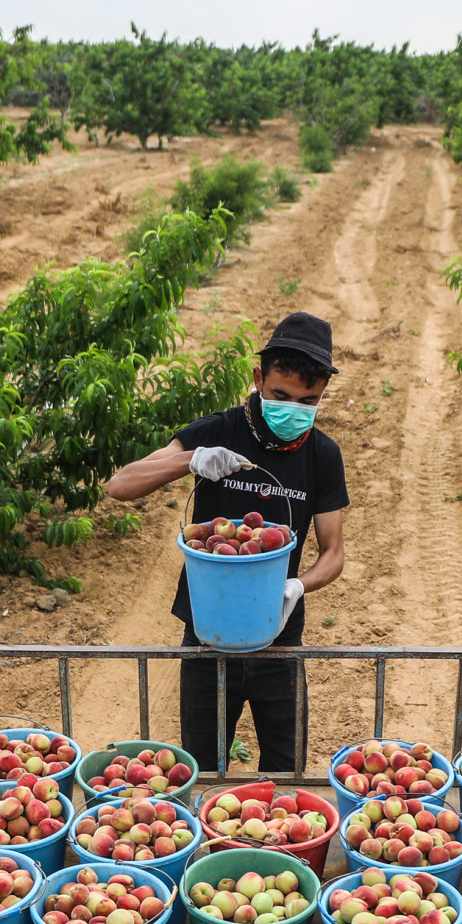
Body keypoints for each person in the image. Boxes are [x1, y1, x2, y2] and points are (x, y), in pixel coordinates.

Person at [102, 313, 348, 776]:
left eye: (307, 401)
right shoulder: (219, 432)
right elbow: (119, 485)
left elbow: (333, 552)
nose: (293, 409)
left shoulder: (322, 455)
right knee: (203, 769)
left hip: (279, 634)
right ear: (259, 379)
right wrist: (190, 460)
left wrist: (297, 586)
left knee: (287, 769)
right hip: (208, 633)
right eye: (281, 396)